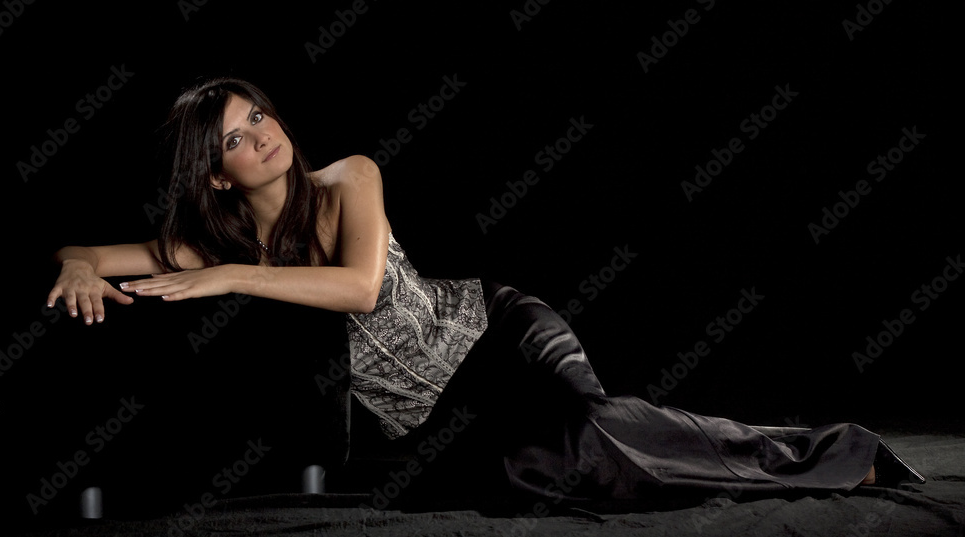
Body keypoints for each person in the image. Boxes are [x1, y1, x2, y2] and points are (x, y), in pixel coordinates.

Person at [46, 77, 922, 504]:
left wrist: (233, 275)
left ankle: (827, 456)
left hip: (501, 334)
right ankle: (805, 462)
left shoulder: (350, 177)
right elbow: (83, 249)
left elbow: (358, 287)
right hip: (437, 417)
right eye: (236, 139)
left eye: (257, 114)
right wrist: (80, 267)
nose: (261, 135)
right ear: (217, 175)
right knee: (551, 476)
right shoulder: (207, 238)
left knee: (594, 434)